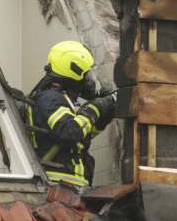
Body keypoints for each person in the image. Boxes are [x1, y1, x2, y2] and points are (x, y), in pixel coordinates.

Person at [27, 41, 116, 187]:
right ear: (73, 71)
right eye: (86, 74)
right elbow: (70, 132)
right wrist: (95, 108)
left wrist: (104, 114)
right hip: (58, 186)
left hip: (69, 186)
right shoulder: (49, 99)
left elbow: (81, 137)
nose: (89, 80)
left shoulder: (62, 99)